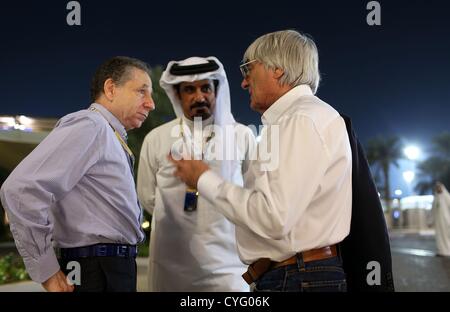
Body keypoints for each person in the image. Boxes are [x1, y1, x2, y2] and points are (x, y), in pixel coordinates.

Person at [169, 30, 353, 292]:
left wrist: (202, 178)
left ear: (277, 69)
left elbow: (272, 217)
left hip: (298, 278)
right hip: (295, 274)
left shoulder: (299, 120)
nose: (244, 83)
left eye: (248, 69)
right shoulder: (300, 118)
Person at [0, 56, 155, 292]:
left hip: (106, 267)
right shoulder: (91, 125)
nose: (151, 104)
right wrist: (47, 271)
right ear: (111, 88)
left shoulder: (107, 133)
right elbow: (21, 190)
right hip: (96, 269)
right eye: (142, 92)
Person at [137, 56, 255, 291]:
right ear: (177, 95)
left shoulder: (242, 136)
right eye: (189, 90)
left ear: (216, 92)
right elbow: (148, 197)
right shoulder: (157, 138)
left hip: (229, 266)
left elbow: (252, 195)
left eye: (206, 88)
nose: (199, 97)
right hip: (171, 265)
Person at [432, 182, 450, 256]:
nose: (438, 189)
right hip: (438, 222)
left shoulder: (447, 196)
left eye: (439, 187)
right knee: (439, 236)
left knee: (446, 236)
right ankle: (441, 251)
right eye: (437, 187)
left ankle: (447, 251)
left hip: (446, 220)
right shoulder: (436, 198)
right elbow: (433, 210)